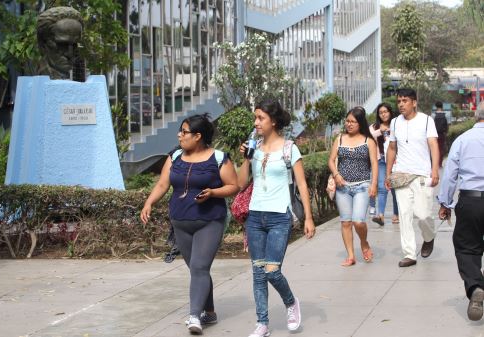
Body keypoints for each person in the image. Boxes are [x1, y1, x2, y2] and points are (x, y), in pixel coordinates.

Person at [140, 114, 239, 334]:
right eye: (180, 131)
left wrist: (213, 192)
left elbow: (234, 186)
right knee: (196, 269)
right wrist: (149, 203)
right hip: (180, 221)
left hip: (209, 221)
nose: (179, 135)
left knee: (199, 267)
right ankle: (210, 311)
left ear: (197, 136)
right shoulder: (175, 156)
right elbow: (163, 184)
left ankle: (194, 316)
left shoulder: (218, 158)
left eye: (184, 132)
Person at [237, 99, 315, 337]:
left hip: (279, 216)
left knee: (272, 271)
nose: (256, 122)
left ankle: (291, 303)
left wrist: (309, 218)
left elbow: (302, 184)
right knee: (258, 272)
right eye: (255, 118)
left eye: (260, 118)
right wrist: (247, 158)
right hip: (255, 217)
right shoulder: (254, 148)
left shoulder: (289, 148)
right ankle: (262, 323)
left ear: (273, 120)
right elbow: (241, 184)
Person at [437, 104, 484, 321]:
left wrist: (445, 203)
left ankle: (475, 286)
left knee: (467, 248)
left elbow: (450, 175)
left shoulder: (463, 140)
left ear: (477, 116)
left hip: (471, 200)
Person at [385, 88, 440, 268]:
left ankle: (429, 237)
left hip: (422, 174)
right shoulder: (394, 123)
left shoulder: (426, 121)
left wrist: (434, 171)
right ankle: (409, 254)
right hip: (401, 174)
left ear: (414, 102)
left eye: (405, 101)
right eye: (399, 101)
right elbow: (392, 148)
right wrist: (388, 173)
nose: (401, 104)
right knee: (405, 215)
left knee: (423, 215)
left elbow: (433, 145)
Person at [328, 106, 378, 267]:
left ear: (360, 123)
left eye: (353, 122)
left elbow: (374, 164)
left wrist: (374, 184)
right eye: (347, 121)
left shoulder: (368, 141)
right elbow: (331, 160)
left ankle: (364, 242)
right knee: (345, 222)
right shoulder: (340, 139)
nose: (349, 124)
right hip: (343, 188)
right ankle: (351, 256)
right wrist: (336, 174)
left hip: (362, 186)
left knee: (358, 221)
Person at [369, 103, 399, 226]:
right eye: (381, 112)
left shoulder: (397, 124)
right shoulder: (374, 127)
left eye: (386, 111)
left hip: (396, 161)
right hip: (381, 160)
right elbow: (369, 137)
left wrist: (391, 131)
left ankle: (396, 214)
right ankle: (380, 215)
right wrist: (380, 132)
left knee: (395, 189)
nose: (383, 114)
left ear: (390, 112)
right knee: (382, 187)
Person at [37, 7, 83, 79]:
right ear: (43, 44)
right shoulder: (40, 81)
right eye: (62, 45)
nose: (70, 54)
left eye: (74, 45)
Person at [434, 101, 448, 168]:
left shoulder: (433, 115)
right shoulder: (444, 115)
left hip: (435, 135)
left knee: (435, 148)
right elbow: (446, 126)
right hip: (442, 134)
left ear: (436, 106)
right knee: (441, 149)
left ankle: (435, 163)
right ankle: (440, 163)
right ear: (442, 106)